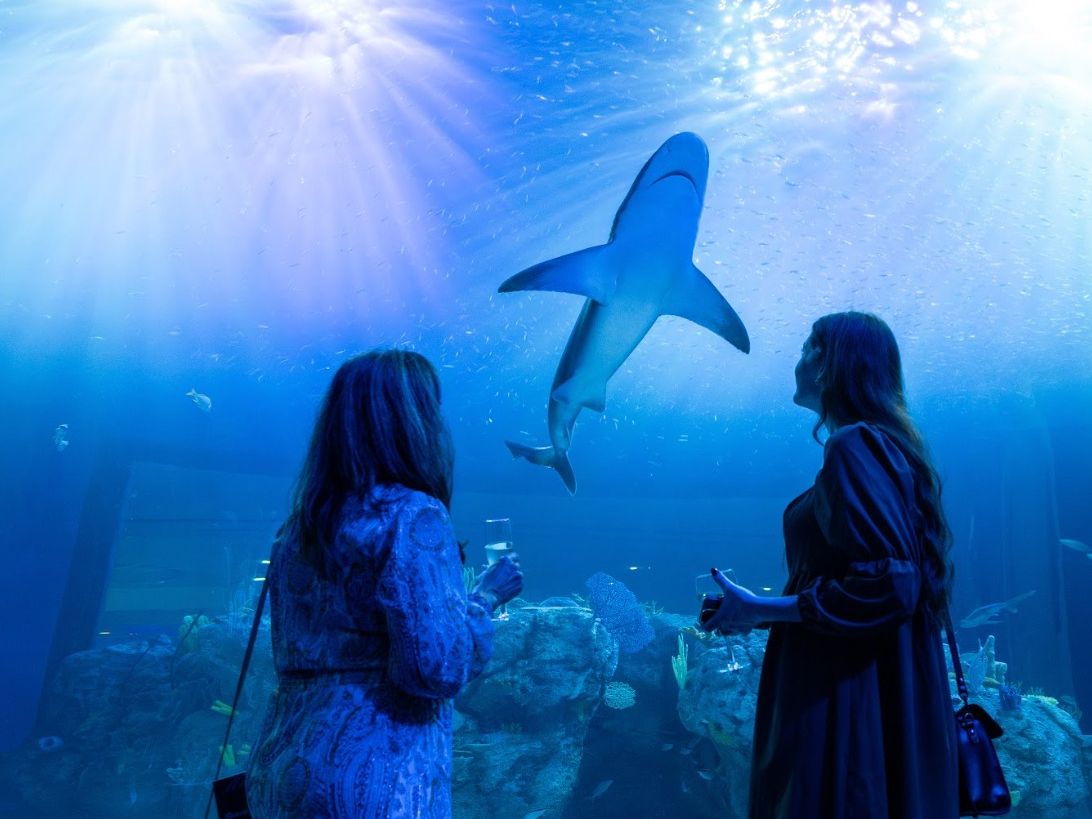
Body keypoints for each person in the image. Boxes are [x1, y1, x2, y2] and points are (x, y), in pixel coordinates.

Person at [702, 311, 958, 819]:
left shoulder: (854, 446)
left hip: (844, 694)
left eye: (805, 349)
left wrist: (760, 609)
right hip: (873, 686)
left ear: (828, 364)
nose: (795, 363)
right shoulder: (886, 448)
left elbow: (890, 585)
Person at [247, 349, 522, 818]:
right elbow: (434, 669)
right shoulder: (414, 515)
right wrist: (485, 599)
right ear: (413, 422)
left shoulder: (296, 530)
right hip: (373, 776)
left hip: (282, 770)